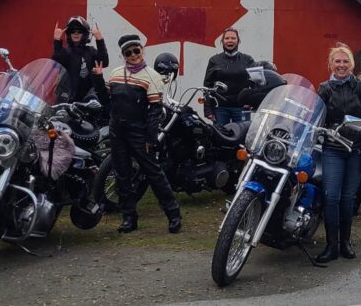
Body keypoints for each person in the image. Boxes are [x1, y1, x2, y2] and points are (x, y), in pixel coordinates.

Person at [91, 34, 182, 234]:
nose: (133, 55)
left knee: (154, 173)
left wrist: (151, 138)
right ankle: (129, 219)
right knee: (122, 174)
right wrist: (98, 78)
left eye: (136, 50)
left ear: (142, 51)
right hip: (117, 130)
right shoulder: (115, 73)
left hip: (139, 131)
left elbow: (155, 111)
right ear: (123, 55)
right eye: (128, 52)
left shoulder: (152, 76)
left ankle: (174, 215)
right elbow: (106, 102)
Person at [315, 44, 361, 263]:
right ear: (330, 64)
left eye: (345, 61)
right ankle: (331, 245)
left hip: (356, 149)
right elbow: (316, 118)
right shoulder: (324, 88)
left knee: (348, 198)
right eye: (337, 61)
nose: (341, 65)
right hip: (332, 149)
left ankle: (345, 242)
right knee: (331, 196)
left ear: (351, 64)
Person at [203, 28, 255, 124]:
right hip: (220, 108)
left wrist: (252, 101)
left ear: (238, 41)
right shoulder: (214, 60)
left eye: (233, 38)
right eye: (227, 38)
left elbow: (255, 83)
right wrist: (208, 109)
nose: (230, 41)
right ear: (222, 41)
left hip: (241, 108)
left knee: (241, 137)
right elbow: (207, 86)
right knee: (220, 137)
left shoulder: (248, 59)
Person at [52, 16, 109, 102]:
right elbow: (56, 63)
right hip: (66, 98)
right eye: (72, 31)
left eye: (79, 31)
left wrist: (100, 40)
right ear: (68, 34)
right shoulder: (64, 51)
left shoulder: (91, 51)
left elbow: (104, 62)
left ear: (85, 34)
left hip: (87, 100)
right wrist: (57, 41)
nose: (76, 33)